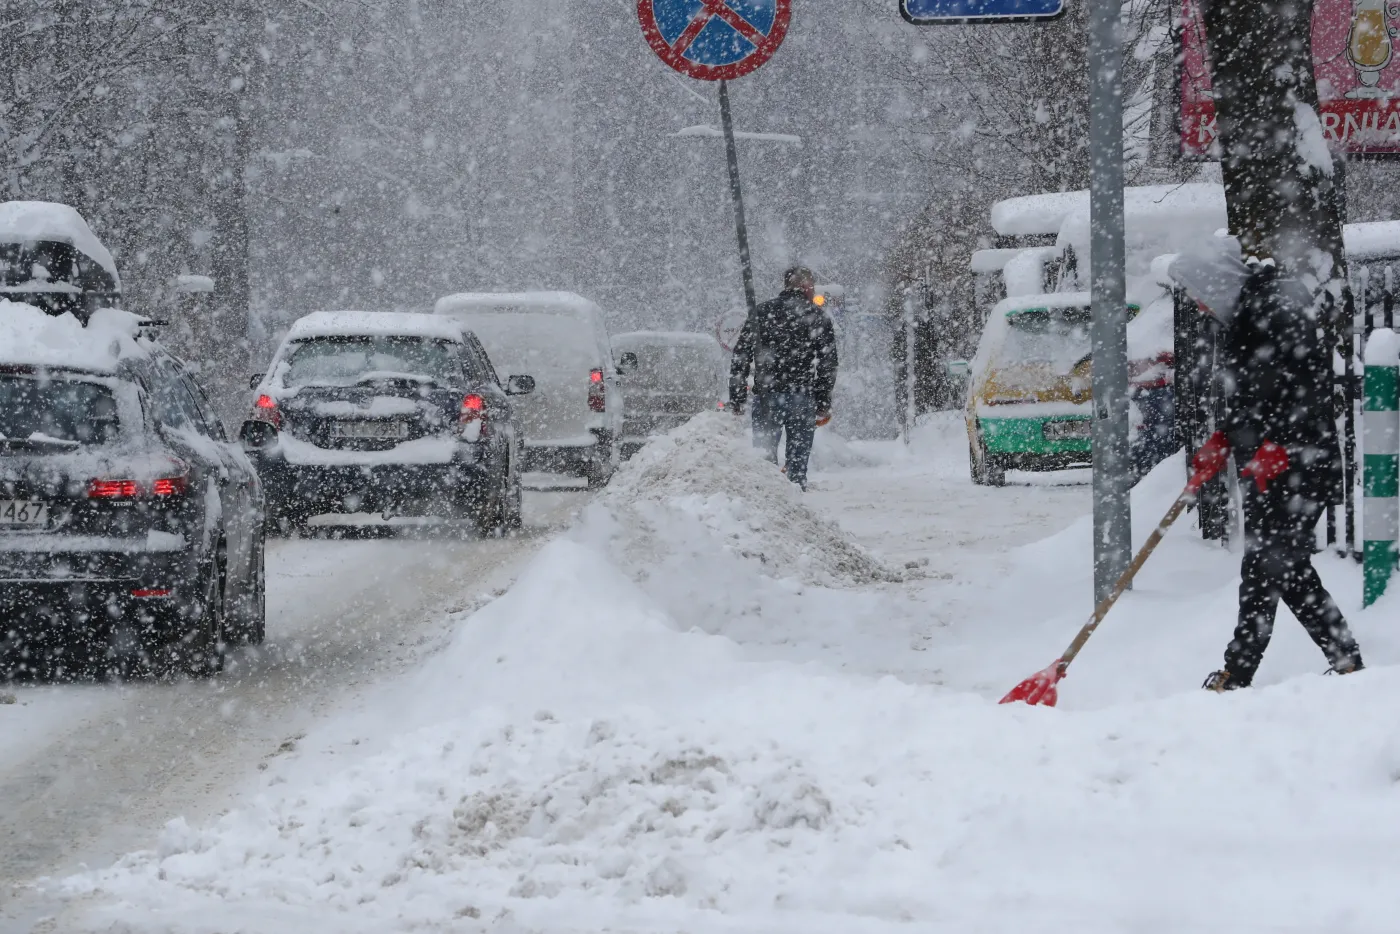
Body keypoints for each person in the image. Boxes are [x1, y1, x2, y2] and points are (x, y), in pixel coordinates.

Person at [1182, 256, 1364, 691]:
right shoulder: (1249, 316)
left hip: (1296, 468)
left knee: (1266, 567)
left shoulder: (1271, 313)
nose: (1198, 306)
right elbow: (1257, 396)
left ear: (1219, 286)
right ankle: (1346, 662)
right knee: (1284, 570)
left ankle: (1238, 673)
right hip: (1277, 467)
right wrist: (1226, 439)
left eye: (1200, 296)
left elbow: (1304, 386)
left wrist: (1279, 442)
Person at [728, 265, 839, 490]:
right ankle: (795, 494)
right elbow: (828, 364)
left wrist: (737, 397)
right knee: (797, 462)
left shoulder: (761, 313)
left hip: (767, 395)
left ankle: (768, 496)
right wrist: (822, 400)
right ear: (806, 286)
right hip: (802, 395)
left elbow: (740, 357)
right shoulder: (817, 317)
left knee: (763, 461)